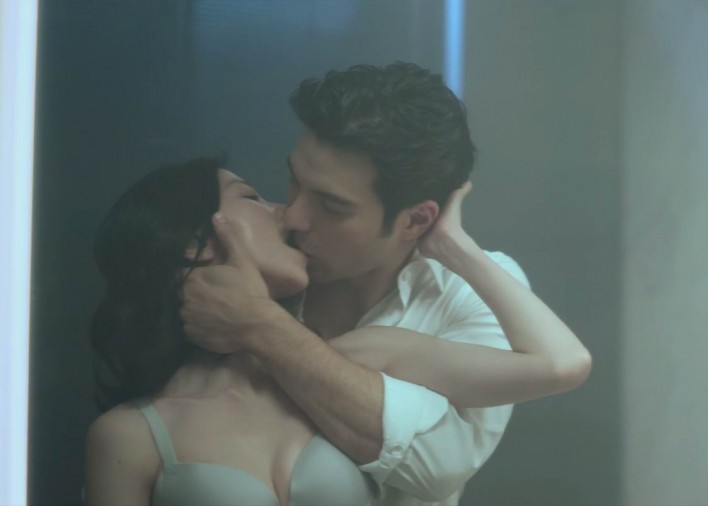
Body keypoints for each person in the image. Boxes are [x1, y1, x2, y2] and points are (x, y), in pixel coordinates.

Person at [84, 158, 591, 505]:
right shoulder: (129, 434)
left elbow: (559, 364)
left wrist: (450, 243)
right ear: (193, 244)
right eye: (253, 198)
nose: (288, 214)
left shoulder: (354, 356)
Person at [176, 62, 554, 505]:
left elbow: (440, 465)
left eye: (332, 207)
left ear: (415, 221)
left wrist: (261, 326)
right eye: (295, 180)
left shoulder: (470, 290)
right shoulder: (263, 262)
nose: (293, 216)